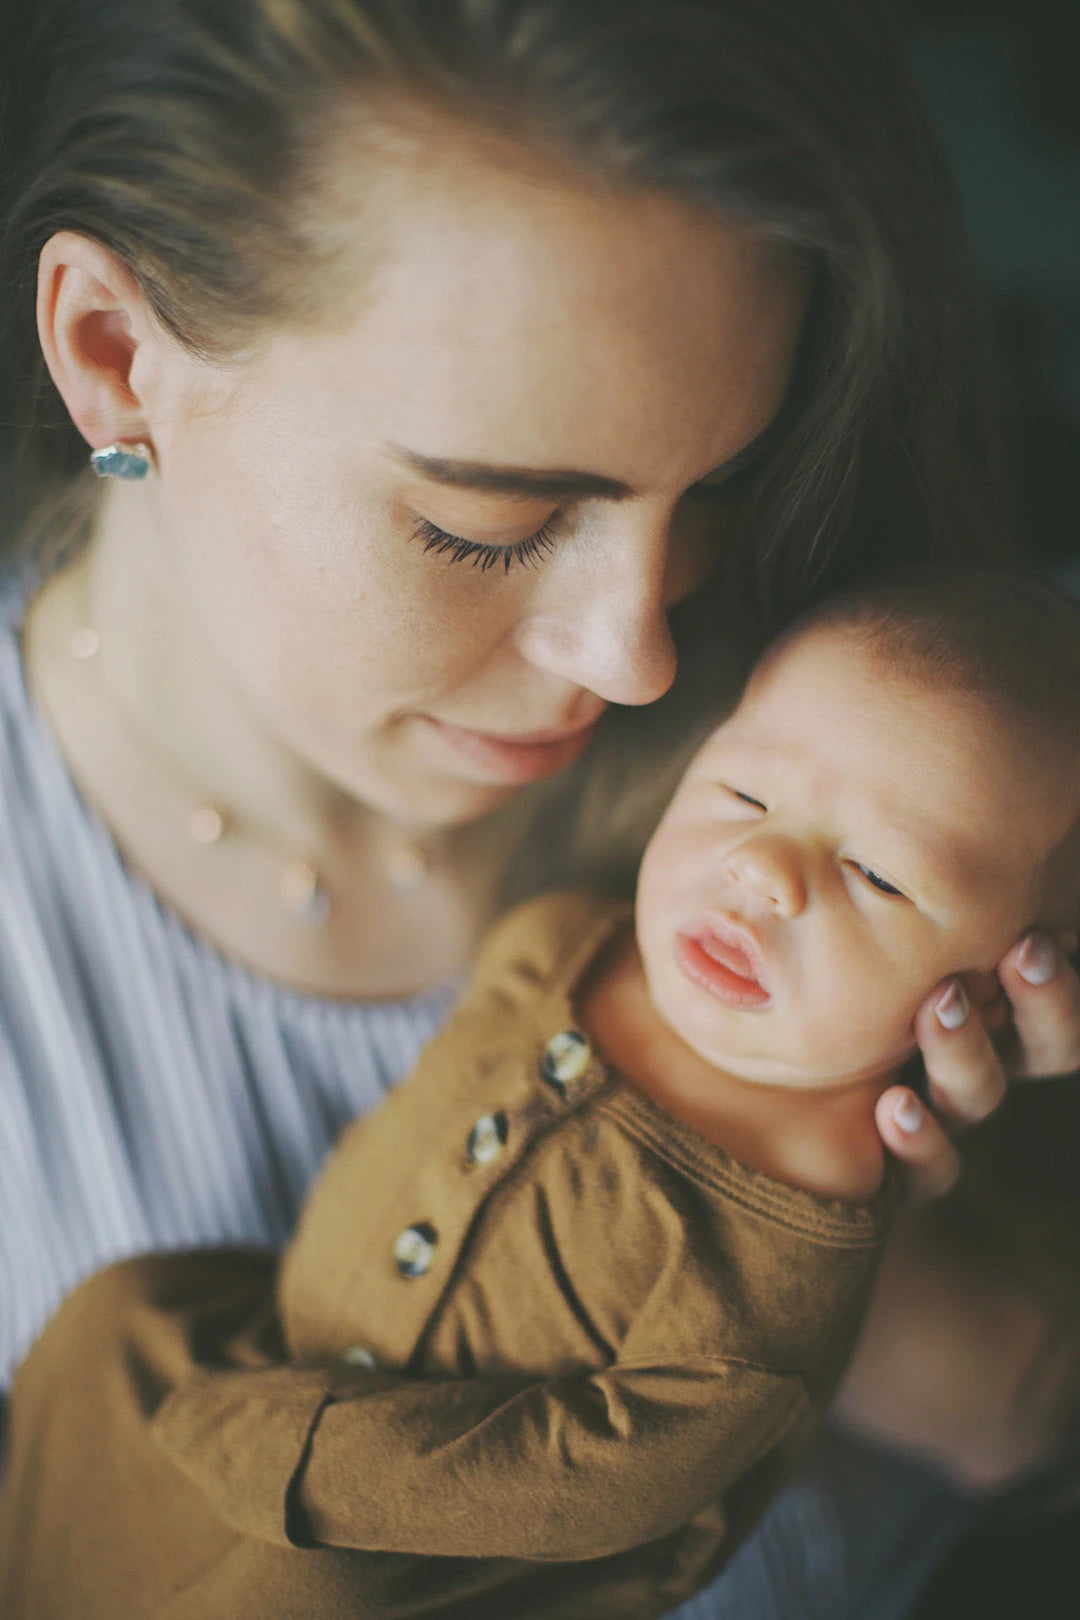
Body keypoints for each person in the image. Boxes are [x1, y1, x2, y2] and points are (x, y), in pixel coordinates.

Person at [0, 2, 1078, 1615]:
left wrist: (929, 1323)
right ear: (111, 352)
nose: (638, 656)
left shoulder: (919, 704)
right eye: (484, 523)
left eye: (715, 481)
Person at [1, 564, 1078, 1620]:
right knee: (118, 1319)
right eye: (742, 793)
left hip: (455, 1541)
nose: (764, 867)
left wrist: (339, 1463)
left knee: (313, 1586)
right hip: (285, 1358)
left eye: (879, 875)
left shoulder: (803, 1207)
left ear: (996, 994)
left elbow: (628, 1472)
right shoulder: (569, 940)